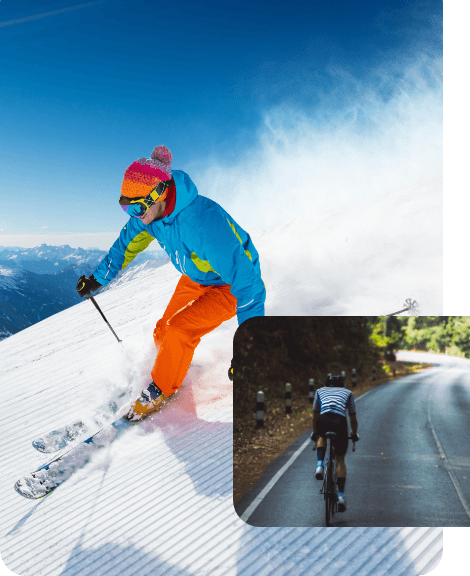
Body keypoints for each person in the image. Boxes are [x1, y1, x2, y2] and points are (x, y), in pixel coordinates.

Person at [76, 145, 265, 420]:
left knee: (179, 330)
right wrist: (98, 279)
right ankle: (162, 368)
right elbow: (125, 245)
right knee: (163, 331)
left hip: (229, 284)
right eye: (126, 207)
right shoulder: (150, 215)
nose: (134, 214)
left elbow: (248, 283)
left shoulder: (203, 223)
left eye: (138, 206)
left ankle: (161, 389)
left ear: (160, 193)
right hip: (197, 277)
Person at [311, 373, 359, 512]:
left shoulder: (320, 391)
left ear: (327, 383)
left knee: (322, 437)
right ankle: (341, 496)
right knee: (340, 460)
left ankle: (320, 465)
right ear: (342, 384)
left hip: (324, 419)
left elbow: (314, 416)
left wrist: (315, 432)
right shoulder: (348, 393)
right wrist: (354, 434)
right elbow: (353, 417)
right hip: (339, 422)